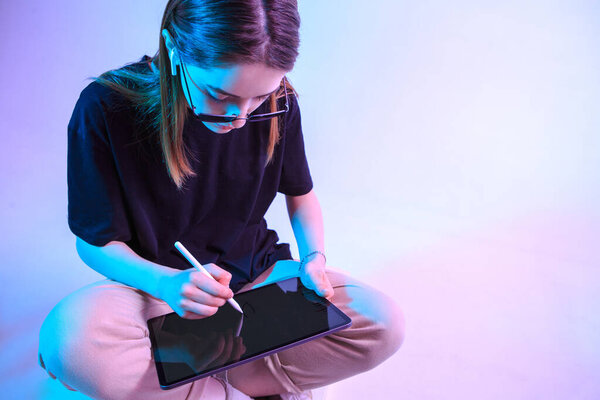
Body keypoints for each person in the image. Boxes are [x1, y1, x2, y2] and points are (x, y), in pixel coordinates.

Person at [38, 1, 405, 399]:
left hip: (259, 283)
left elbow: (301, 195)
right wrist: (168, 284)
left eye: (259, 98)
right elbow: (95, 242)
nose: (241, 117)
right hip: (155, 293)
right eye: (218, 94)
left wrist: (314, 258)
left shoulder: (281, 104)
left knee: (381, 323)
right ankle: (243, 380)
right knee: (69, 340)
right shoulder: (106, 107)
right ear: (173, 49)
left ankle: (196, 383)